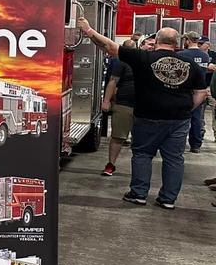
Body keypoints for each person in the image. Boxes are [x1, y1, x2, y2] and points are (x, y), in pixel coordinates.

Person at [77, 20, 208, 209]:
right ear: (176, 43)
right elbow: (201, 93)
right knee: (174, 159)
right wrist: (187, 110)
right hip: (179, 120)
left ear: (156, 41)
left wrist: (89, 31)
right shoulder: (190, 64)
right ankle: (168, 199)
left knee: (143, 155)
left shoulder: (143, 58)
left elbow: (109, 46)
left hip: (148, 116)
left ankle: (138, 194)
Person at [100, 39, 136, 176]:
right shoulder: (122, 62)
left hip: (143, 107)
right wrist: (106, 101)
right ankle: (111, 164)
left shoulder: (147, 62)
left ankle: (139, 170)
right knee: (118, 137)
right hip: (123, 104)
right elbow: (112, 82)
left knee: (142, 141)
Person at [177, 31, 211, 152]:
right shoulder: (205, 56)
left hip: (184, 90)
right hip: (200, 90)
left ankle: (178, 142)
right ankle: (196, 145)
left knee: (180, 118)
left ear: (188, 40)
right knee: (196, 118)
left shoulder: (181, 54)